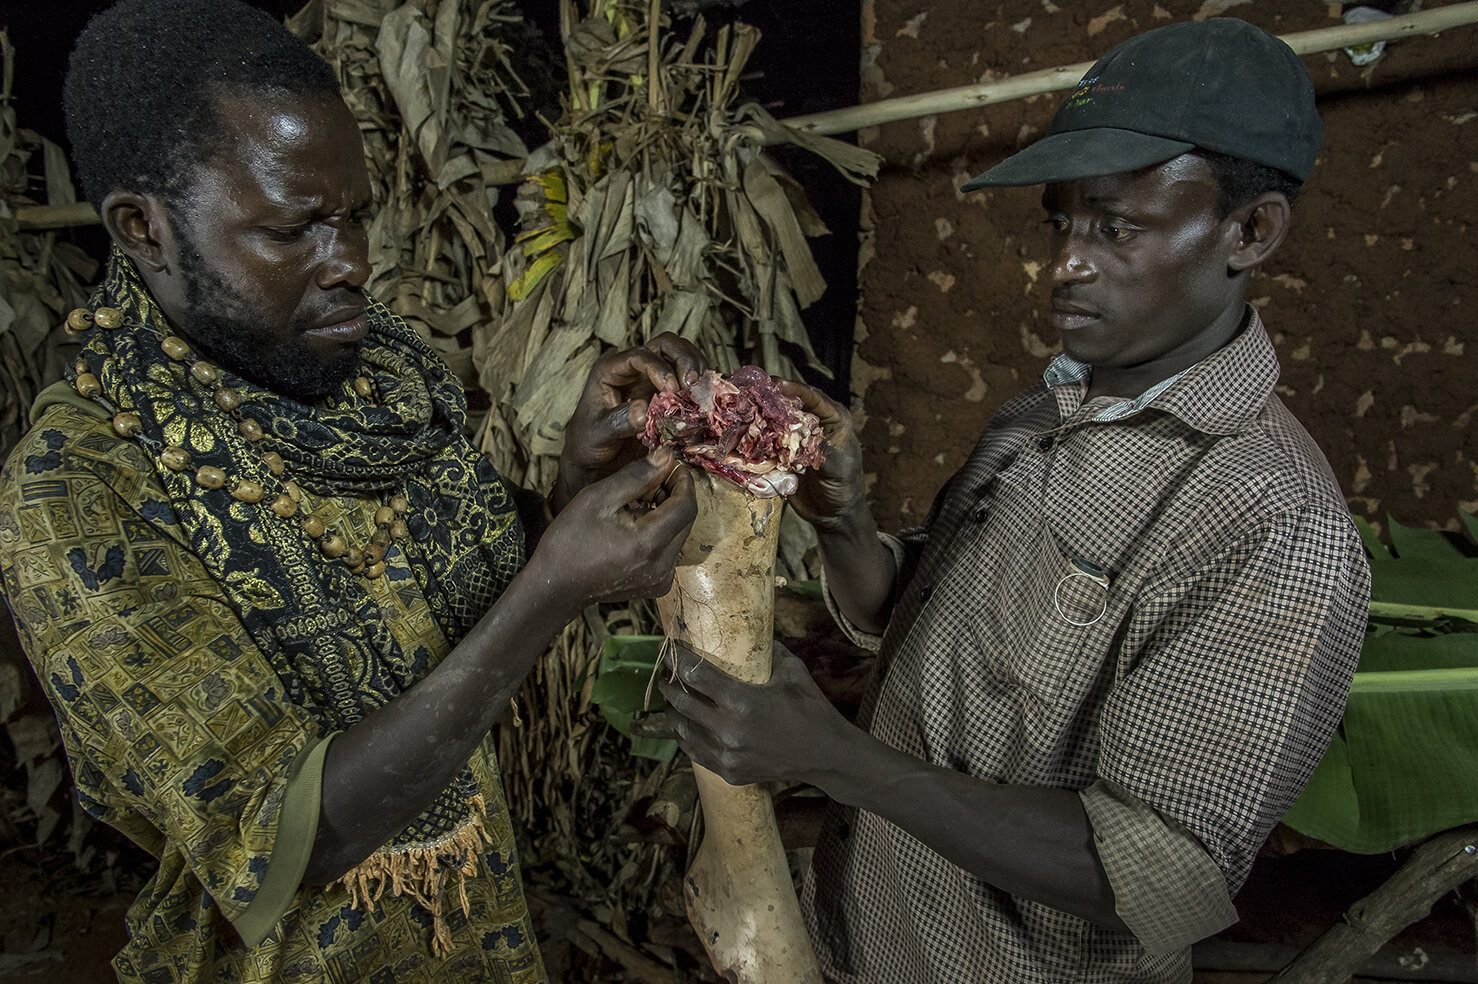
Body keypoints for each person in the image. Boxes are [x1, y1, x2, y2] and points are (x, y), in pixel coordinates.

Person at [660, 17, 1372, 983]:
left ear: (1252, 232)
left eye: (1117, 228)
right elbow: (922, 623)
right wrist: (845, 518)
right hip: (859, 942)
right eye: (1064, 223)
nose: (1067, 263)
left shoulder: (1273, 522)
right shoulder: (1040, 414)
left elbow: (1151, 869)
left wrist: (835, 759)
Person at [0, 1, 698, 981]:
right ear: (144, 229)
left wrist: (573, 485)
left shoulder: (376, 380)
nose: (355, 265)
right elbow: (289, 838)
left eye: (357, 216)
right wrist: (553, 590)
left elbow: (453, 622)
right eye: (296, 230)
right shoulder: (82, 485)